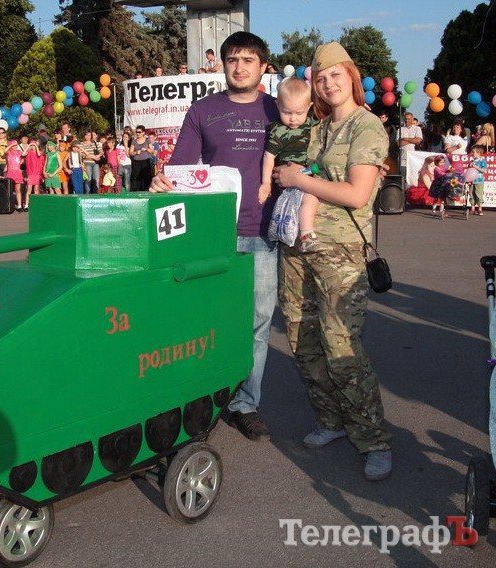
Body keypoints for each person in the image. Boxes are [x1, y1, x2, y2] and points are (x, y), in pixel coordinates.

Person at [149, 31, 280, 441]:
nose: (239, 67)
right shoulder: (202, 111)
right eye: (232, 60)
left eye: (248, 60)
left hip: (262, 232)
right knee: (204, 320)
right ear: (222, 65)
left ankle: (245, 403)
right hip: (213, 234)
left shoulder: (280, 110)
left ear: (263, 67)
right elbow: (181, 167)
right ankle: (199, 397)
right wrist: (163, 182)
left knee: (257, 322)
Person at [272, 42, 392, 481]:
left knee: (341, 345)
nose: (328, 83)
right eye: (321, 77)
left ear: (351, 76)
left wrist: (300, 179)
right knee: (303, 340)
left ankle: (374, 438)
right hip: (298, 248)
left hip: (342, 253)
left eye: (335, 74)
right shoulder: (317, 129)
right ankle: (331, 421)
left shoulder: (368, 128)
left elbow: (358, 194)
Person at [262, 77, 319, 251]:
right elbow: (268, 156)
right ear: (278, 106)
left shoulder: (312, 124)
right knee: (311, 198)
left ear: (309, 107)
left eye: (299, 113)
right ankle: (306, 234)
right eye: (287, 112)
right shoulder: (277, 130)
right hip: (288, 180)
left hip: (308, 172)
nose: (293, 118)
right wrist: (265, 183)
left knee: (308, 199)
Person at [129, 126, 154, 191]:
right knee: (136, 178)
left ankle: (146, 191)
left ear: (143, 132)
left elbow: (152, 151)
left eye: (139, 132)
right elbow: (130, 153)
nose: (137, 133)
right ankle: (136, 192)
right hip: (136, 161)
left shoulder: (147, 140)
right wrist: (136, 152)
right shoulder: (134, 141)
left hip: (145, 161)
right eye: (136, 132)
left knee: (146, 178)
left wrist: (146, 149)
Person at [5, 140, 26, 211]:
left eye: (16, 145)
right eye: (14, 145)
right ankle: (9, 205)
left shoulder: (19, 152)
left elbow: (24, 154)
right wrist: (11, 145)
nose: (15, 146)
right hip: (10, 173)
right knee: (9, 190)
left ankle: (19, 205)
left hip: (17, 173)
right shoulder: (8, 152)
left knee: (18, 190)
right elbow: (5, 150)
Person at [24, 138, 45, 207]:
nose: (32, 146)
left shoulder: (39, 152)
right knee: (29, 189)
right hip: (30, 173)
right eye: (32, 145)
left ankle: (36, 203)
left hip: (36, 173)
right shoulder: (28, 152)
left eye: (34, 145)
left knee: (36, 189)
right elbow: (23, 153)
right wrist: (29, 145)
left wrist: (35, 146)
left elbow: (39, 154)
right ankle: (27, 204)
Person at [469, 145, 487, 216]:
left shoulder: (482, 161)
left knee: (478, 194)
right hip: (472, 181)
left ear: (479, 153)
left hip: (479, 180)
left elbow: (484, 171)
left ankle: (480, 208)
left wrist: (476, 167)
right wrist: (469, 166)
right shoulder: (472, 161)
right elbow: (469, 171)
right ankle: (472, 208)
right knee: (471, 194)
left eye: (473, 152)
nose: (472, 153)